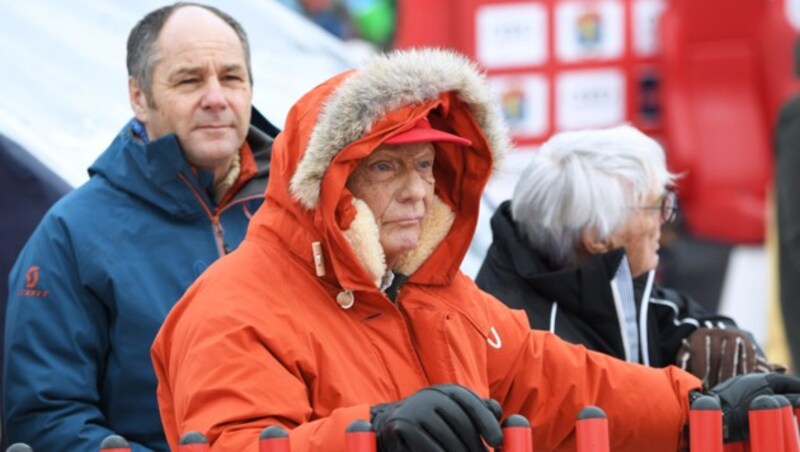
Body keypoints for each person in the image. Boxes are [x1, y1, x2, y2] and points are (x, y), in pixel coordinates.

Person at [151, 48, 800, 451]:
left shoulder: (448, 300)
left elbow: (566, 387)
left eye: (427, 166)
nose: (417, 192)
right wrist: (375, 434)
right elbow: (232, 445)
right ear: (331, 179)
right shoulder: (234, 308)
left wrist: (699, 406)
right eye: (387, 169)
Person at [3, 3, 278, 450]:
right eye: (189, 80)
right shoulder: (71, 234)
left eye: (231, 78)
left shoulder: (302, 211)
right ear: (138, 96)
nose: (216, 97)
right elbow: (45, 417)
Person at [475, 125, 778, 389]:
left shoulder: (606, 279)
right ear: (597, 238)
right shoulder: (518, 333)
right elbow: (621, 412)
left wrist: (726, 344)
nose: (665, 220)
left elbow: (685, 321)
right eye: (656, 206)